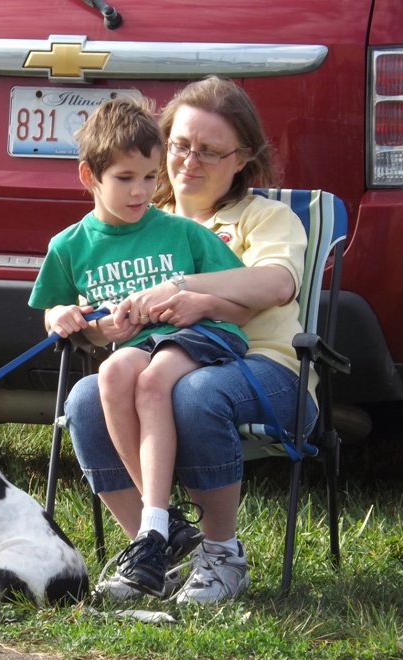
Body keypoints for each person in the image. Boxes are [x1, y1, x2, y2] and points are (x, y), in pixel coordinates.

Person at [65, 75, 317, 604]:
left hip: (267, 369)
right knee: (86, 397)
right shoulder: (139, 218)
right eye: (179, 145)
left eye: (210, 150)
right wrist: (93, 324)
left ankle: (221, 554)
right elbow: (98, 307)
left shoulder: (265, 217)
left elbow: (276, 283)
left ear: (242, 158)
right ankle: (152, 551)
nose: (189, 161)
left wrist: (186, 289)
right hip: (156, 367)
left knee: (195, 393)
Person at [28, 97, 252, 598]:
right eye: (125, 178)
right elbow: (55, 310)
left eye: (151, 177)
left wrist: (196, 302)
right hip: (141, 347)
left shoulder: (182, 232)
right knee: (110, 374)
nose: (141, 191)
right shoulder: (69, 246)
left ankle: (154, 527)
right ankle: (163, 523)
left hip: (202, 336)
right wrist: (64, 317)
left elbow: (240, 303)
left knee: (148, 379)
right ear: (89, 176)